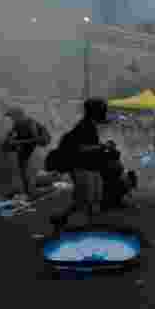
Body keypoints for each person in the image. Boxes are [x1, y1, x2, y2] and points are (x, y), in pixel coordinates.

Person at [49, 98, 113, 233]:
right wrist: (102, 146)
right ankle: (63, 219)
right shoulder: (84, 126)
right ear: (95, 111)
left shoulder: (90, 124)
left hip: (91, 167)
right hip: (82, 167)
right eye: (102, 109)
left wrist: (101, 147)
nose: (104, 112)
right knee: (84, 199)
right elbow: (80, 148)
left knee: (93, 199)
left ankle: (87, 224)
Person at [0, 107, 49, 199]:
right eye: (11, 117)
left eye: (13, 116)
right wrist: (5, 141)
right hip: (26, 142)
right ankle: (24, 188)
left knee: (23, 164)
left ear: (19, 115)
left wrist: (18, 143)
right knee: (20, 163)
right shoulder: (17, 123)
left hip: (38, 141)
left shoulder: (30, 123)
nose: (12, 119)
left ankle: (30, 190)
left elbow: (37, 140)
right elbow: (11, 134)